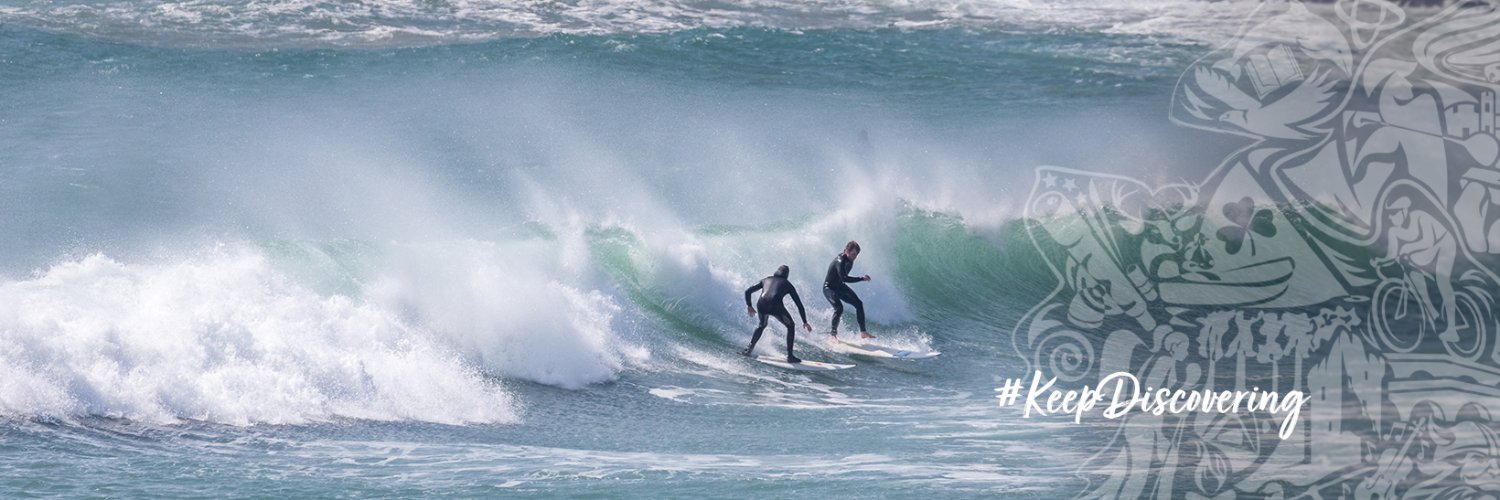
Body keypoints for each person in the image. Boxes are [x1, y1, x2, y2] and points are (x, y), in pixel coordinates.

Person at [1374, 195, 1459, 342]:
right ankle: (1433, 313)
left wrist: (1407, 248)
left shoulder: (1420, 216)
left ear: (1404, 211)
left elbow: (1428, 240)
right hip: (1428, 249)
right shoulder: (1394, 230)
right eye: (1389, 214)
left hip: (1444, 243)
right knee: (1412, 272)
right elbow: (1392, 254)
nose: (1391, 217)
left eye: (1393, 213)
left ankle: (1452, 330)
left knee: (1442, 281)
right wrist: (1380, 261)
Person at [743, 265, 813, 363]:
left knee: (761, 325)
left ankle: (748, 350)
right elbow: (799, 305)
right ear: (787, 275)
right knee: (790, 326)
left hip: (761, 304)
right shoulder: (788, 284)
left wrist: (749, 305)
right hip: (776, 306)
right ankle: (790, 356)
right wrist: (805, 322)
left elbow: (748, 291)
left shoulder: (766, 280)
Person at [824, 240, 873, 342]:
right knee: (839, 308)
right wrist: (861, 278)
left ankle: (863, 332)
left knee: (859, 304)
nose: (854, 257)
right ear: (846, 250)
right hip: (829, 288)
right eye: (853, 254)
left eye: (856, 255)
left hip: (840, 287)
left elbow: (842, 280)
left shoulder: (850, 260)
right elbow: (844, 278)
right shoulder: (840, 261)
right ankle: (833, 335)